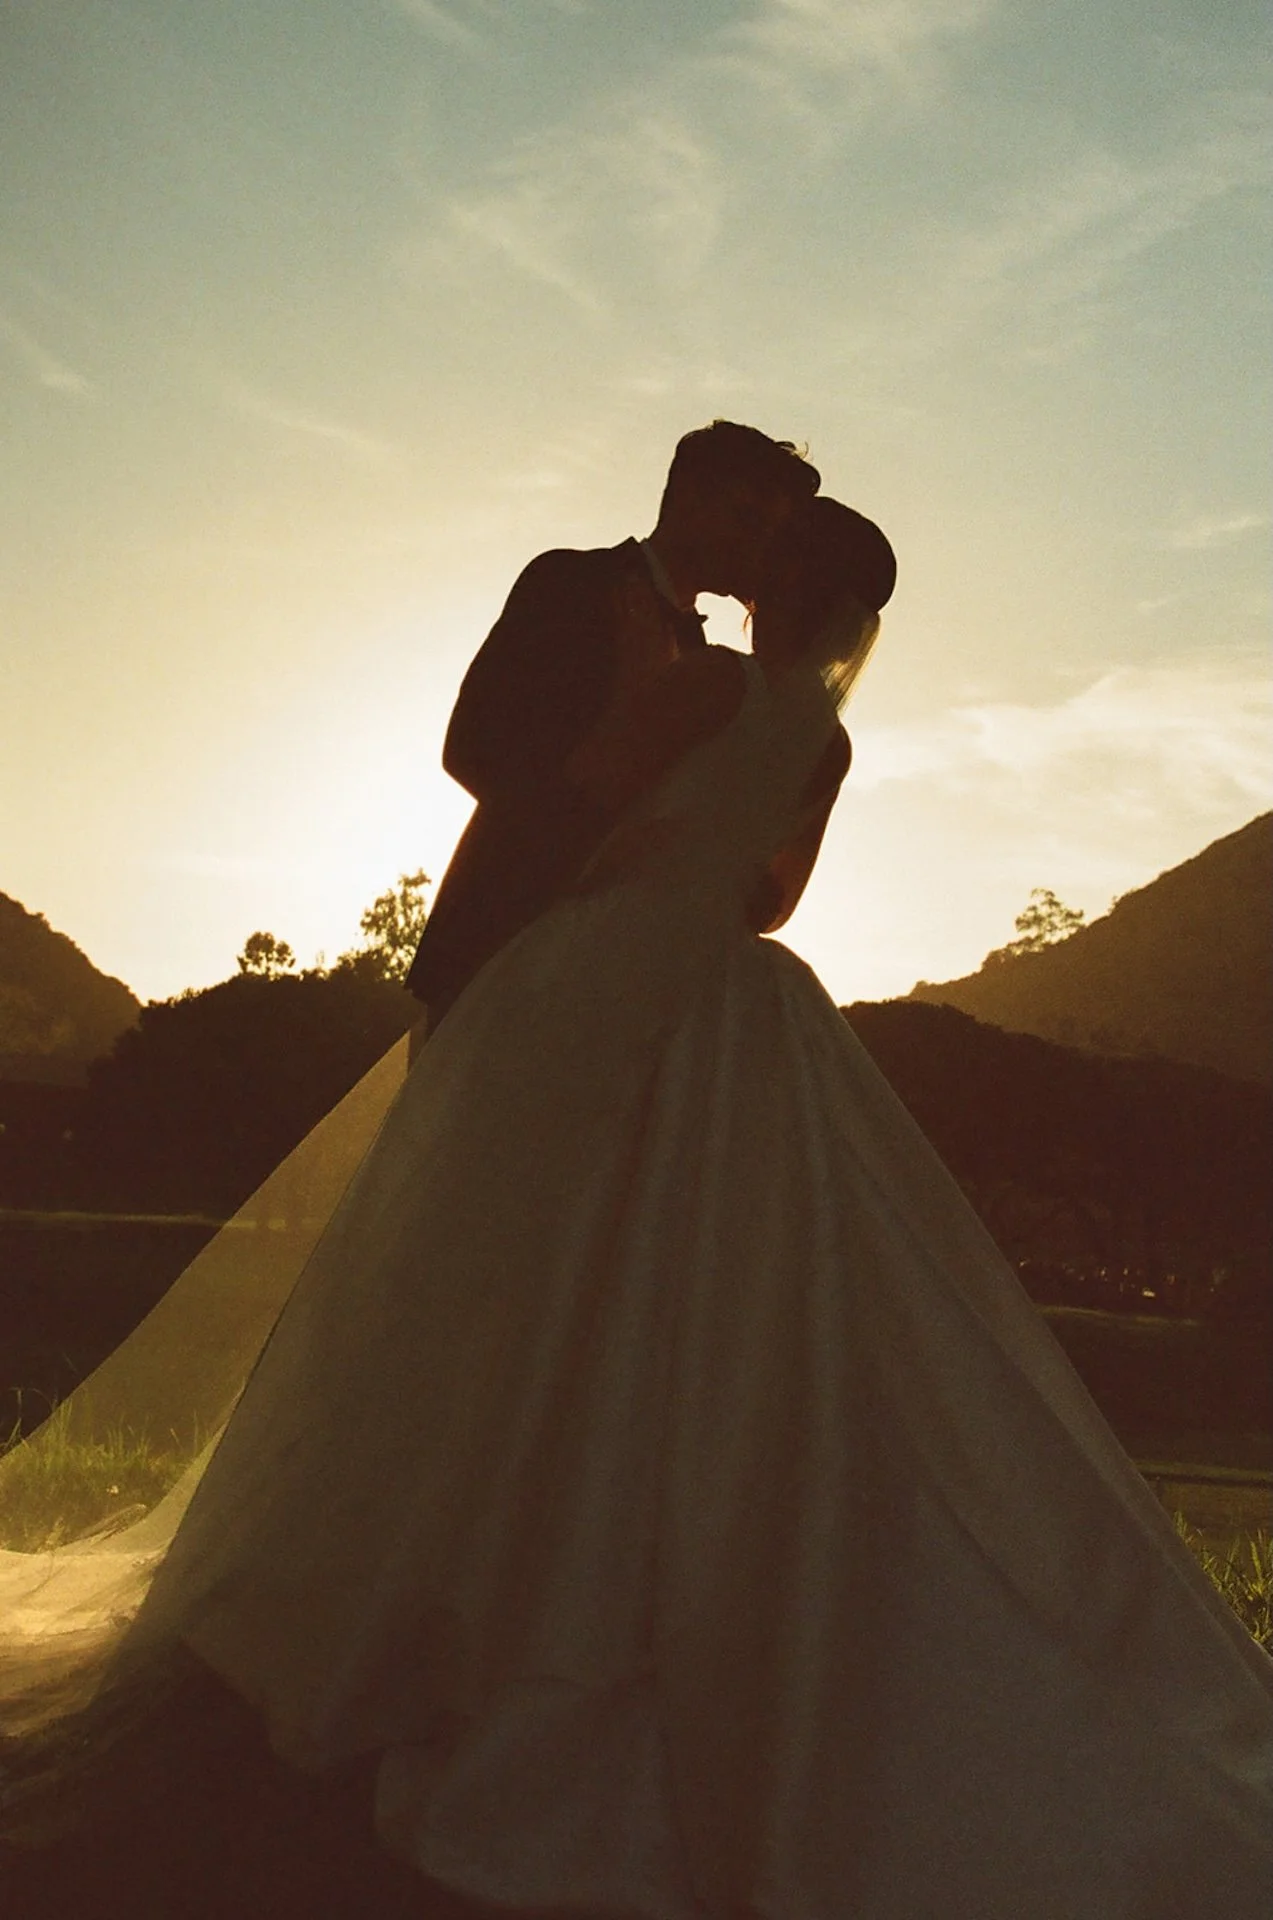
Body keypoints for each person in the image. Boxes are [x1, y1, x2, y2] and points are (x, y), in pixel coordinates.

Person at [3, 499, 1272, 1920]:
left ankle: (465, 1579)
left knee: (510, 1274)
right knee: (731, 1290)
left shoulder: (704, 683)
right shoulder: (829, 739)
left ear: (781, 594)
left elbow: (590, 797)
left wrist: (611, 895)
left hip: (607, 973)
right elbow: (774, 905)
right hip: (742, 1004)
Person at [404, 418, 820, 1034]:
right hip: (498, 941)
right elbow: (472, 747)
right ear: (688, 495)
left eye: (768, 532)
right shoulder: (571, 582)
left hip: (618, 987)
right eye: (747, 519)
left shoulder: (708, 659)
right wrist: (596, 843)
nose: (758, 548)